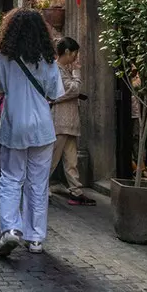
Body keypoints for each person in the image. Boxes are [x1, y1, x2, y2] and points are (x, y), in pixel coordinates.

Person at [0, 8, 64, 258]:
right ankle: (35, 238)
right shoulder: (49, 58)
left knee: (11, 179)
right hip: (42, 126)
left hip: (13, 124)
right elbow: (55, 94)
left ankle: (10, 228)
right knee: (38, 184)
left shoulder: (2, 56)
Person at [51, 37, 90, 205]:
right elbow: (73, 89)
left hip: (69, 121)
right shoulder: (57, 70)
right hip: (60, 121)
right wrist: (77, 73)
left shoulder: (62, 69)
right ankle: (41, 189)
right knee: (52, 159)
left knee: (71, 160)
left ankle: (76, 189)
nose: (76, 57)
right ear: (67, 52)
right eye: (75, 53)